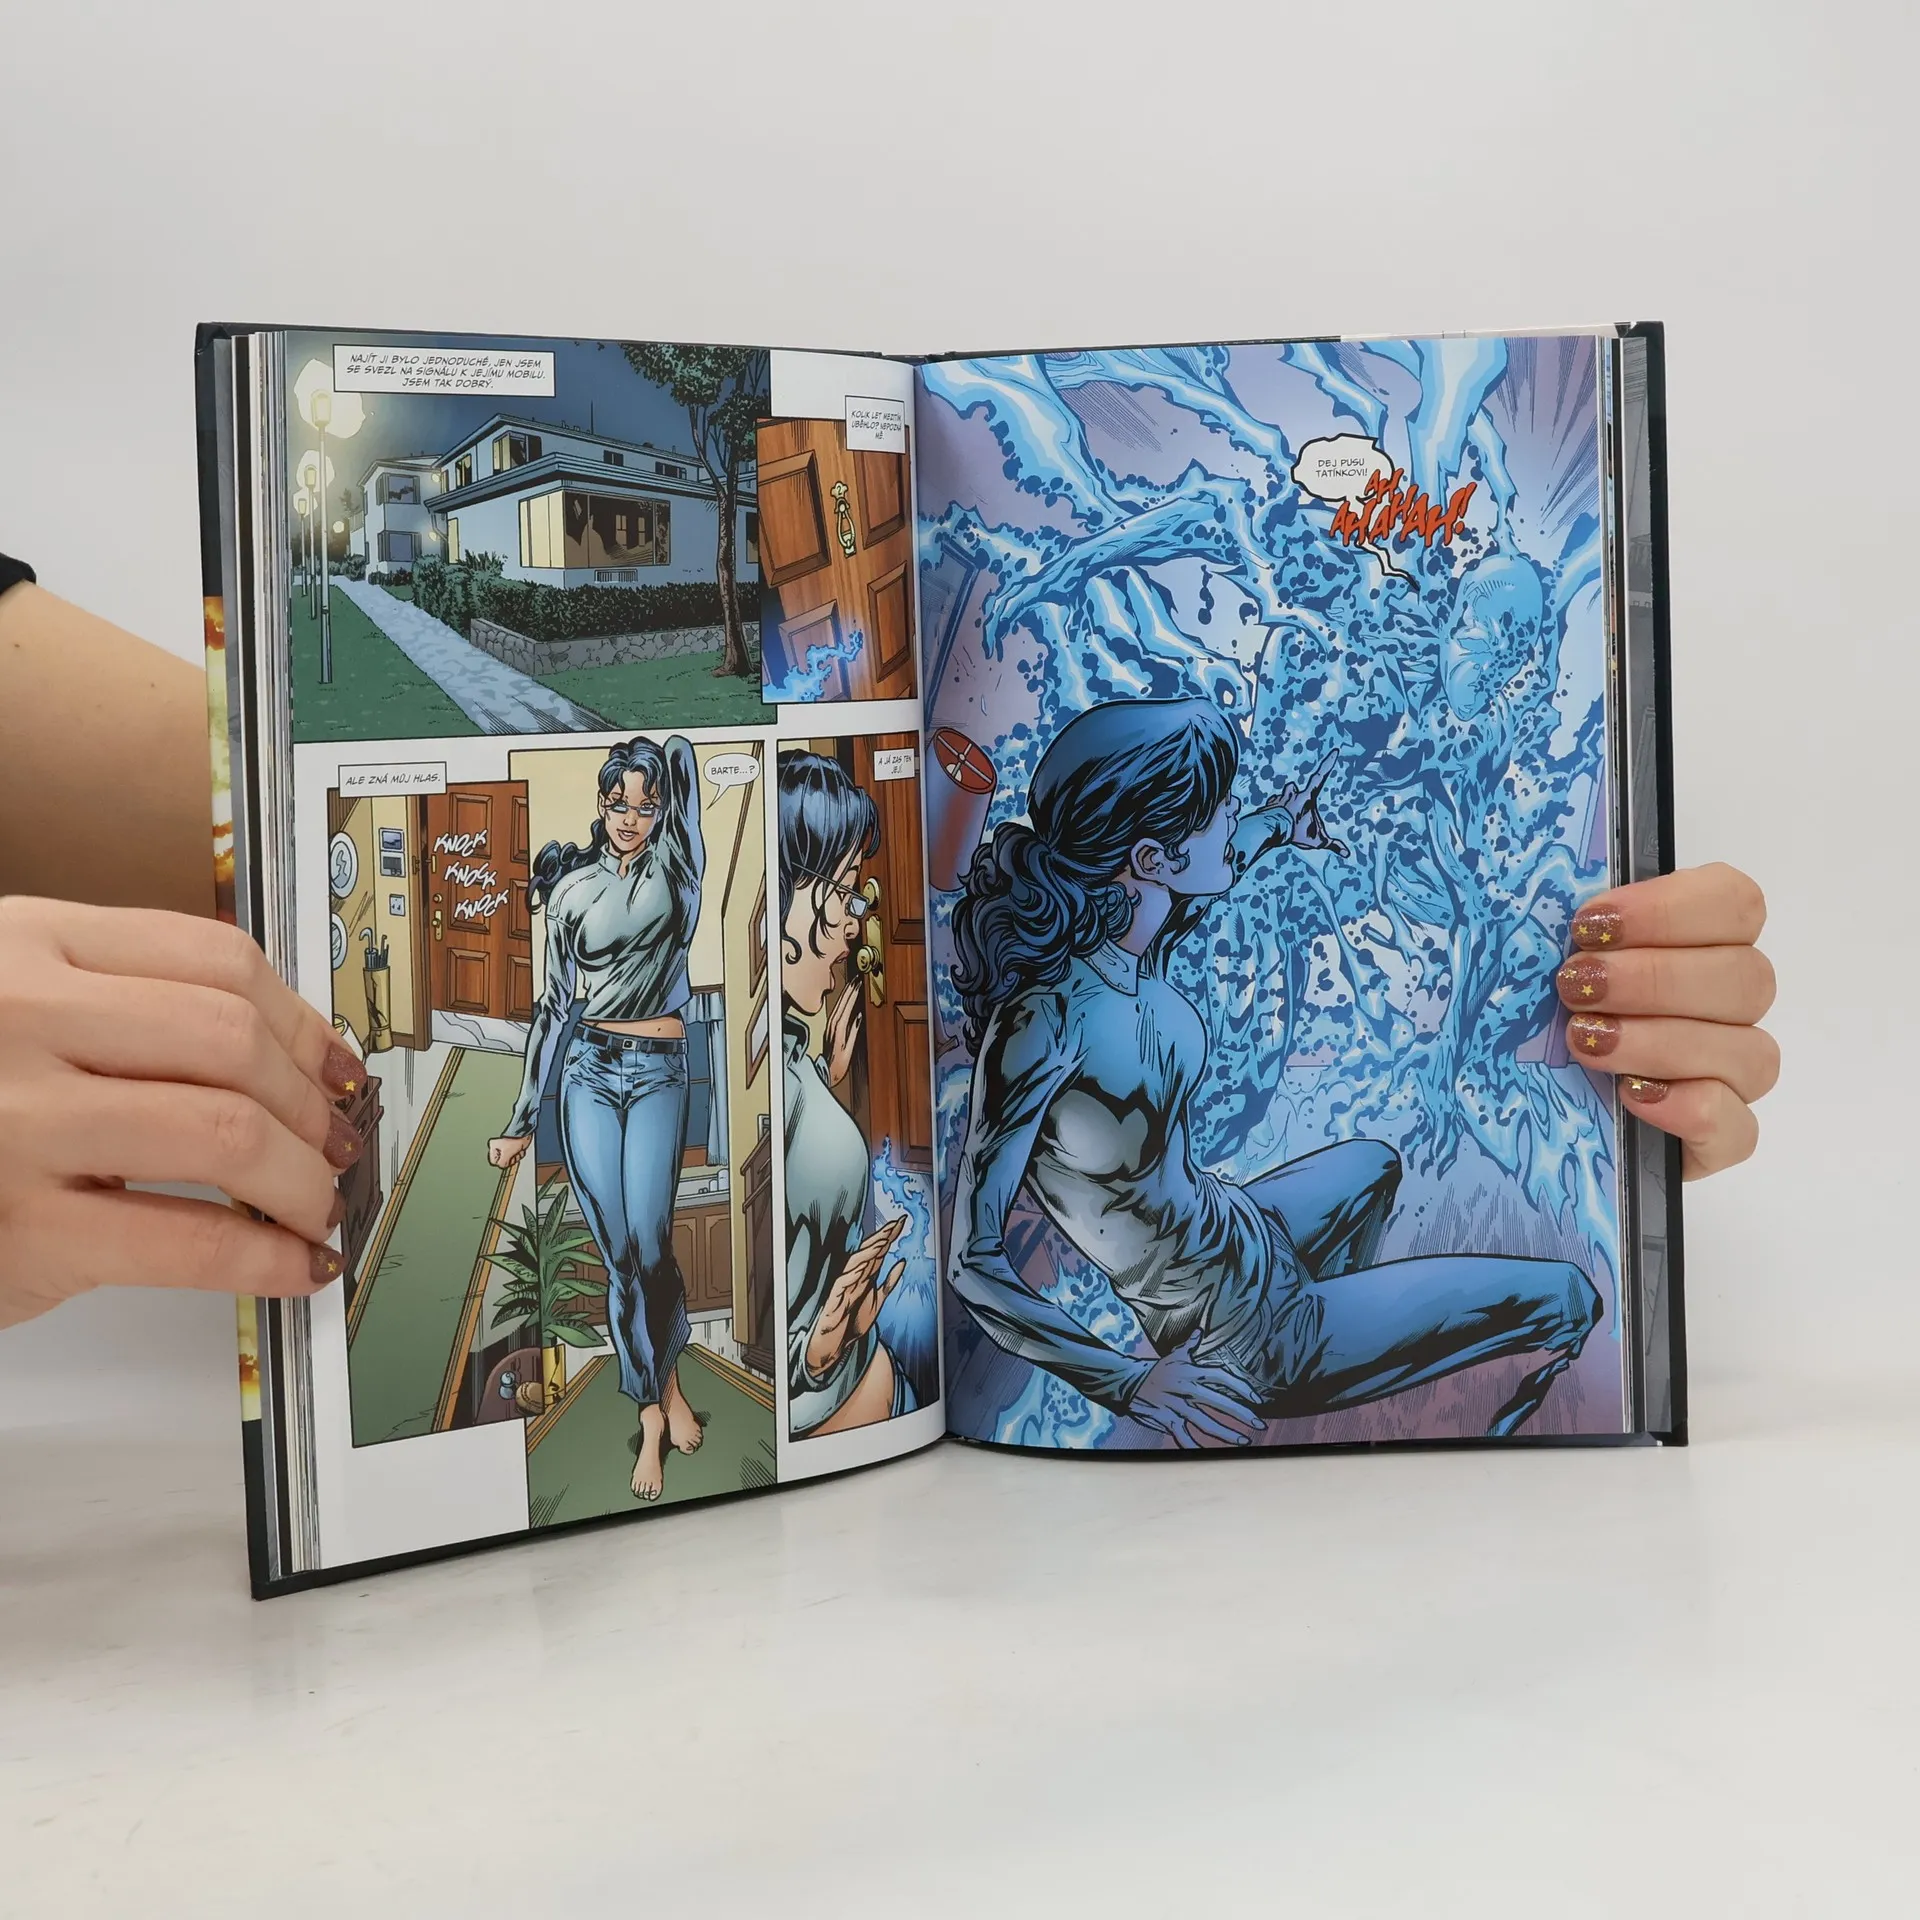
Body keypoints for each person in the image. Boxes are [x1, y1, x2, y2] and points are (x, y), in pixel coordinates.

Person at [0, 555, 1778, 1341]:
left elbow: (241, 812)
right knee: (1544, 1302)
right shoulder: (1050, 1015)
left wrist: (1562, 1009)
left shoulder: (1100, 955)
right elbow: (986, 1232)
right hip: (1211, 1324)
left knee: (1413, 1181)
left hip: (1194, 1246)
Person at [947, 698, 1781, 1446]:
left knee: (1376, 1164)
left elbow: (1226, 855)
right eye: (1217, 808)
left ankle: (1345, 1345)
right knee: (1569, 1297)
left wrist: (1281, 823)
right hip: (1236, 1329)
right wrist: (1126, 1384)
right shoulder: (1040, 1025)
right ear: (1151, 858)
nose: (1232, 813)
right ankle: (1332, 1363)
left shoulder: (1132, 930)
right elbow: (972, 1261)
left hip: (1240, 1231)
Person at [485, 735, 705, 1502]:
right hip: (589, 1075)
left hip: (660, 1072)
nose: (631, 817)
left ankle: (664, 1383)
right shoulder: (572, 893)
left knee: (651, 1245)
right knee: (620, 1260)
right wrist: (522, 1120)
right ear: (601, 805)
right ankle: (652, 1410)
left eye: (645, 806)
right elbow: (553, 1012)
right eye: (618, 803)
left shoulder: (680, 867)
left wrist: (654, 760)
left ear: (662, 811)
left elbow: (683, 753)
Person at [777, 749, 913, 1437]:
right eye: (845, 893)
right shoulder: (772, 1085)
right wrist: (820, 1355)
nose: (856, 924)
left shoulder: (790, 1061)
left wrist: (826, 1076)